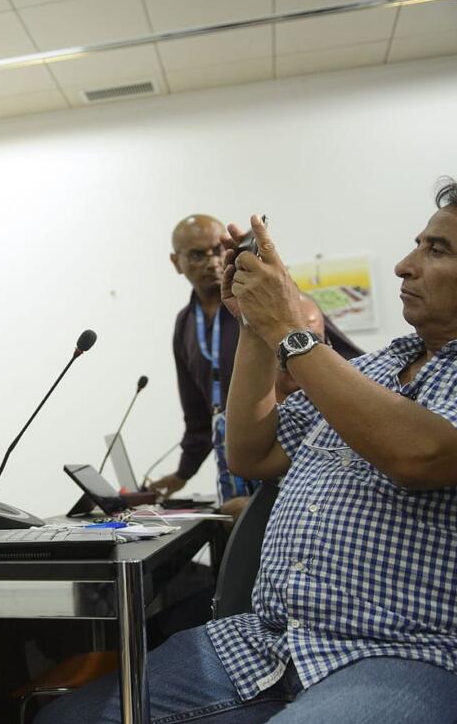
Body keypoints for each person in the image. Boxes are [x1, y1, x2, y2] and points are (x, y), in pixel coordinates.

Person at [29, 180, 457, 724]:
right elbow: (254, 451)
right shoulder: (380, 365)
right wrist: (255, 326)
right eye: (417, 246)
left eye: (438, 250)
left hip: (414, 653)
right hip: (272, 641)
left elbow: (418, 453)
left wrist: (290, 329)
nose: (406, 264)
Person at [150, 214, 362, 516]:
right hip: (232, 449)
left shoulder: (262, 303)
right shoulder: (185, 323)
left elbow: (353, 367)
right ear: (175, 262)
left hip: (288, 451)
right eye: (197, 254)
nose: (212, 262)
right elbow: (198, 418)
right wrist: (181, 476)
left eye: (217, 251)